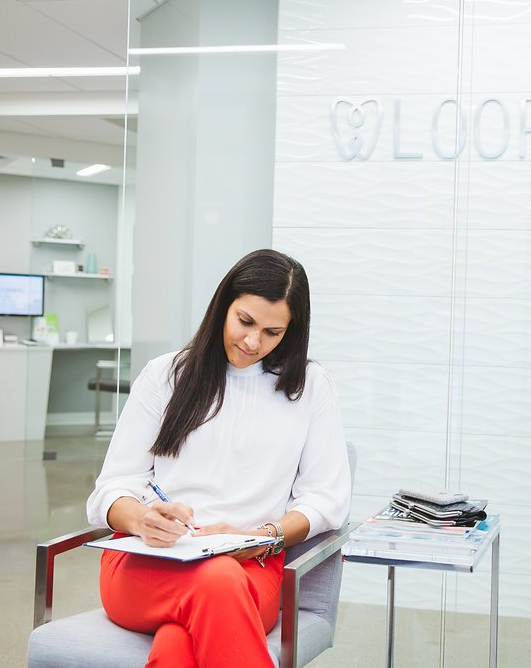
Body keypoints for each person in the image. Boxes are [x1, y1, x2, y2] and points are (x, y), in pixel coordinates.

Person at [86, 249, 352, 667]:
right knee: (215, 586)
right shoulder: (165, 375)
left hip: (251, 570)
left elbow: (326, 500)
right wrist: (140, 519)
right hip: (146, 563)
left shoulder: (310, 387)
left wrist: (261, 538)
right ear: (223, 304)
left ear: (292, 332)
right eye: (245, 321)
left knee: (180, 641)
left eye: (272, 332)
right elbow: (112, 489)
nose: (252, 342)